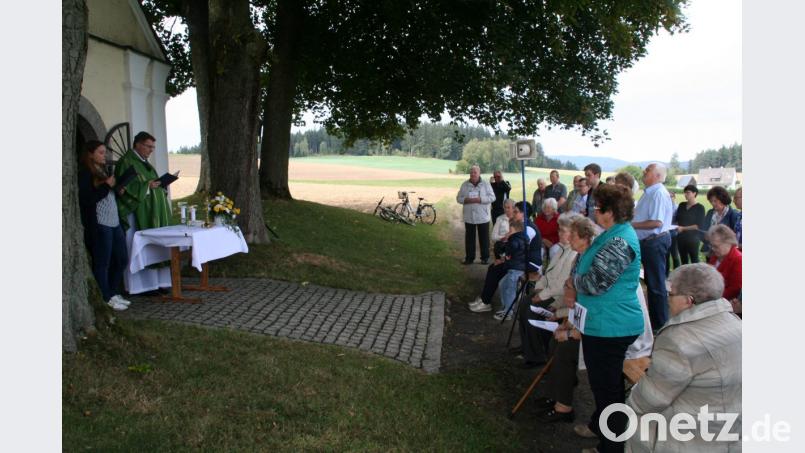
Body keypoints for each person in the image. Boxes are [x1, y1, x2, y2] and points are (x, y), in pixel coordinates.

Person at [563, 183, 644, 453]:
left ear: (611, 211)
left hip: (612, 326)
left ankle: (611, 447)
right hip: (602, 322)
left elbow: (596, 283)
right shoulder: (612, 233)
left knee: (608, 391)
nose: (594, 211)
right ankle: (600, 426)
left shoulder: (621, 240)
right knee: (603, 386)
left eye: (598, 208)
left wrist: (574, 282)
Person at [626, 263, 741, 452]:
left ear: (688, 301)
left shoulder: (678, 340)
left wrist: (632, 401)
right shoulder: (736, 324)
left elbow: (650, 399)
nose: (668, 300)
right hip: (733, 432)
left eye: (671, 295)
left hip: (690, 438)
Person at [519, 213, 584, 391]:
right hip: (551, 292)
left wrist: (543, 294)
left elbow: (561, 285)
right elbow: (548, 274)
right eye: (560, 230)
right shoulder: (560, 249)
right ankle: (528, 346)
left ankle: (536, 355)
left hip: (559, 298)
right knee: (524, 303)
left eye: (564, 231)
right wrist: (539, 288)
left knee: (532, 309)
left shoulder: (572, 254)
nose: (560, 234)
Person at [115, 131, 173, 294]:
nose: (151, 150)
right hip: (136, 214)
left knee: (153, 248)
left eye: (153, 147)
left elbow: (151, 182)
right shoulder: (127, 162)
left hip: (152, 211)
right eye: (148, 146)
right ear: (137, 144)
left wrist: (160, 185)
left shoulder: (145, 163)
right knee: (138, 248)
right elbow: (123, 187)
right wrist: (147, 186)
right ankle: (140, 287)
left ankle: (156, 283)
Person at [77, 140, 131, 311]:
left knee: (121, 258)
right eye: (100, 152)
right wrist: (107, 186)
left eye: (105, 152)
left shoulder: (102, 170)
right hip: (100, 223)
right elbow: (87, 199)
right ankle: (106, 297)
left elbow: (107, 193)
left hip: (114, 220)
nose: (104, 155)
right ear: (90, 154)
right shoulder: (85, 173)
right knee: (103, 262)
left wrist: (117, 188)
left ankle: (112, 292)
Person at [469, 202, 542, 313]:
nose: (513, 213)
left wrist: (503, 259)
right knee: (493, 267)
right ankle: (485, 299)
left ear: (524, 214)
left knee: (496, 269)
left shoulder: (528, 228)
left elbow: (519, 248)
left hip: (530, 263)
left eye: (516, 211)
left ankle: (486, 302)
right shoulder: (521, 225)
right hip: (520, 259)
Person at [631, 163, 674, 330]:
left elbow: (656, 222)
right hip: (649, 242)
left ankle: (661, 325)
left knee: (656, 285)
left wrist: (631, 225)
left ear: (657, 175)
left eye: (647, 170)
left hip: (655, 241)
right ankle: (656, 320)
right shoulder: (650, 192)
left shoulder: (657, 193)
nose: (643, 172)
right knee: (652, 282)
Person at [456, 165, 496, 265]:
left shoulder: (486, 184)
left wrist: (481, 199)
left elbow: (492, 197)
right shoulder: (464, 185)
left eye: (475, 172)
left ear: (479, 173)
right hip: (469, 216)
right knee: (469, 239)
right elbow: (458, 198)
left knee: (484, 238)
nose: (473, 174)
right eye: (471, 172)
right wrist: (466, 200)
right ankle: (469, 258)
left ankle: (485, 258)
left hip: (483, 216)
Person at [494, 219, 528, 321]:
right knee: (502, 284)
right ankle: (506, 308)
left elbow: (512, 248)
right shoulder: (520, 238)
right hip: (514, 268)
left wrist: (507, 246)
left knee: (510, 289)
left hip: (516, 269)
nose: (508, 233)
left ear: (517, 231)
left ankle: (509, 311)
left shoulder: (515, 239)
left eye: (510, 231)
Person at [701, 186, 740, 256]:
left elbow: (735, 238)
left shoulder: (733, 214)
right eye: (711, 201)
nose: (712, 203)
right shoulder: (710, 212)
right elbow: (704, 228)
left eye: (715, 201)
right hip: (710, 251)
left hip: (725, 253)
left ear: (722, 199)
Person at [706, 225, 742, 300]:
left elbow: (735, 289)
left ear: (728, 242)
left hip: (724, 301)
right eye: (711, 245)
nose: (713, 249)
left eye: (716, 246)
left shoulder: (738, 260)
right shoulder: (715, 255)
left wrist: (711, 299)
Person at [674, 184, 705, 264]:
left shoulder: (700, 208)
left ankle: (696, 276)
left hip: (693, 239)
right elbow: (677, 219)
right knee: (683, 261)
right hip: (680, 238)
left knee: (694, 260)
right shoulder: (681, 205)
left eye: (688, 192)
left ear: (694, 193)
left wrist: (683, 228)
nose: (685, 194)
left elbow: (698, 225)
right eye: (685, 193)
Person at [666, 190, 680, 276]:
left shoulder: (677, 207)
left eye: (671, 196)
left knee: (674, 254)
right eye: (668, 197)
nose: (669, 198)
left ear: (674, 197)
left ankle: (676, 273)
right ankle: (666, 273)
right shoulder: (664, 207)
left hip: (674, 233)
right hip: (666, 233)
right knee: (666, 254)